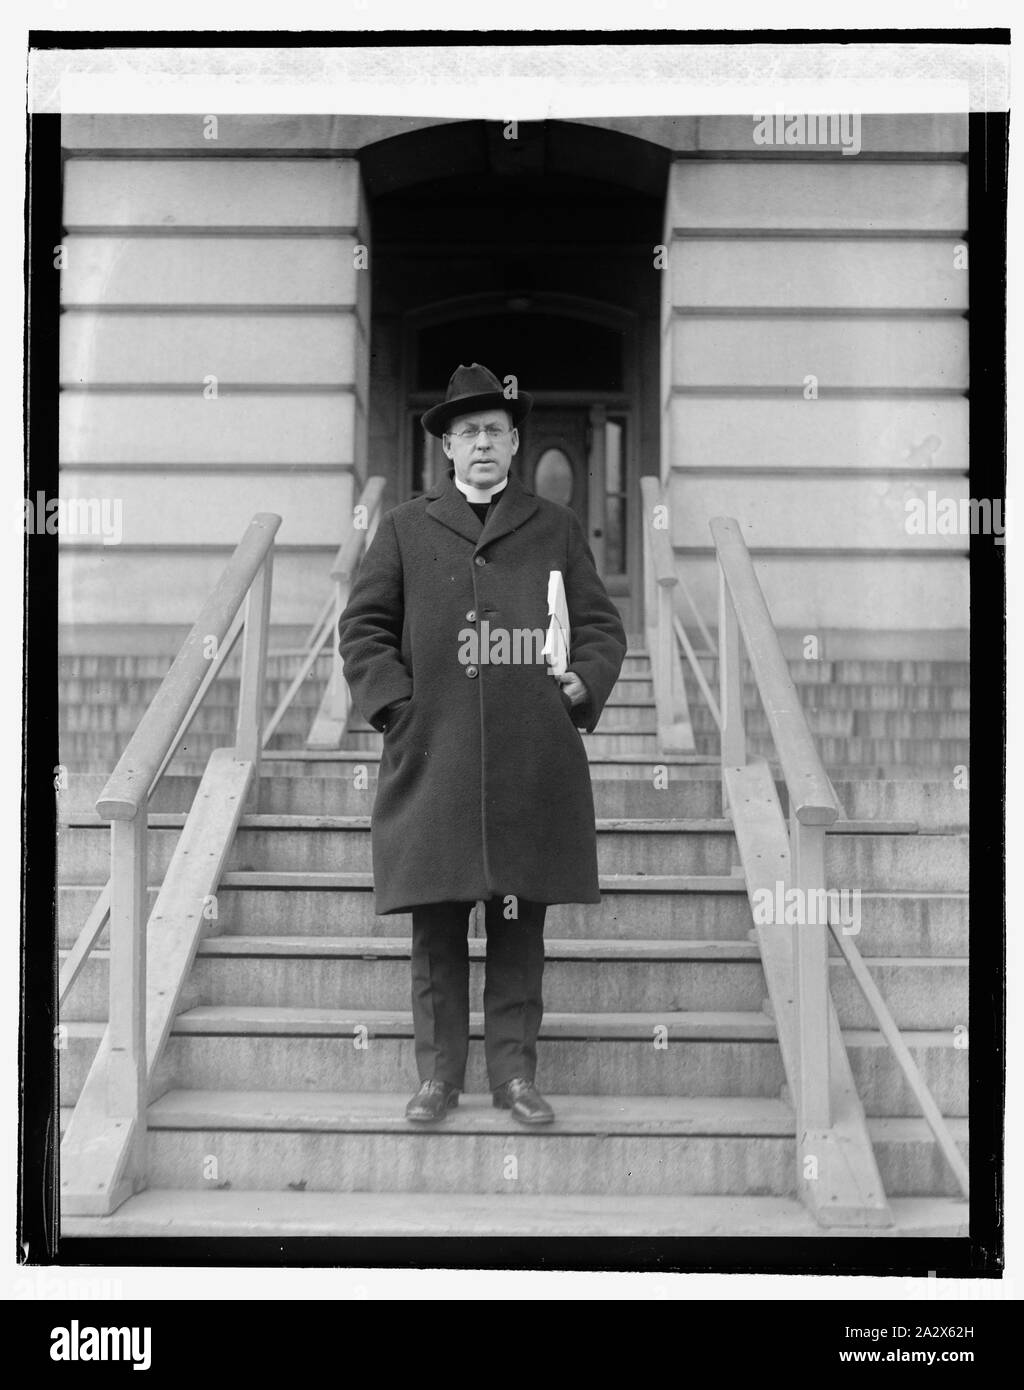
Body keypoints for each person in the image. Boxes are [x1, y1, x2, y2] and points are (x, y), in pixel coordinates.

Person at [337, 363, 627, 1125]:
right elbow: (363, 628)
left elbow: (598, 625)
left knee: (517, 930)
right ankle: (438, 1079)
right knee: (436, 931)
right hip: (433, 759)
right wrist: (397, 707)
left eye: (495, 431)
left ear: (515, 442)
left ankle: (514, 1079)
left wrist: (583, 683)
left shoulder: (555, 525)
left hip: (530, 762)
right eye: (468, 433)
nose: (483, 444)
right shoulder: (403, 526)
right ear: (447, 449)